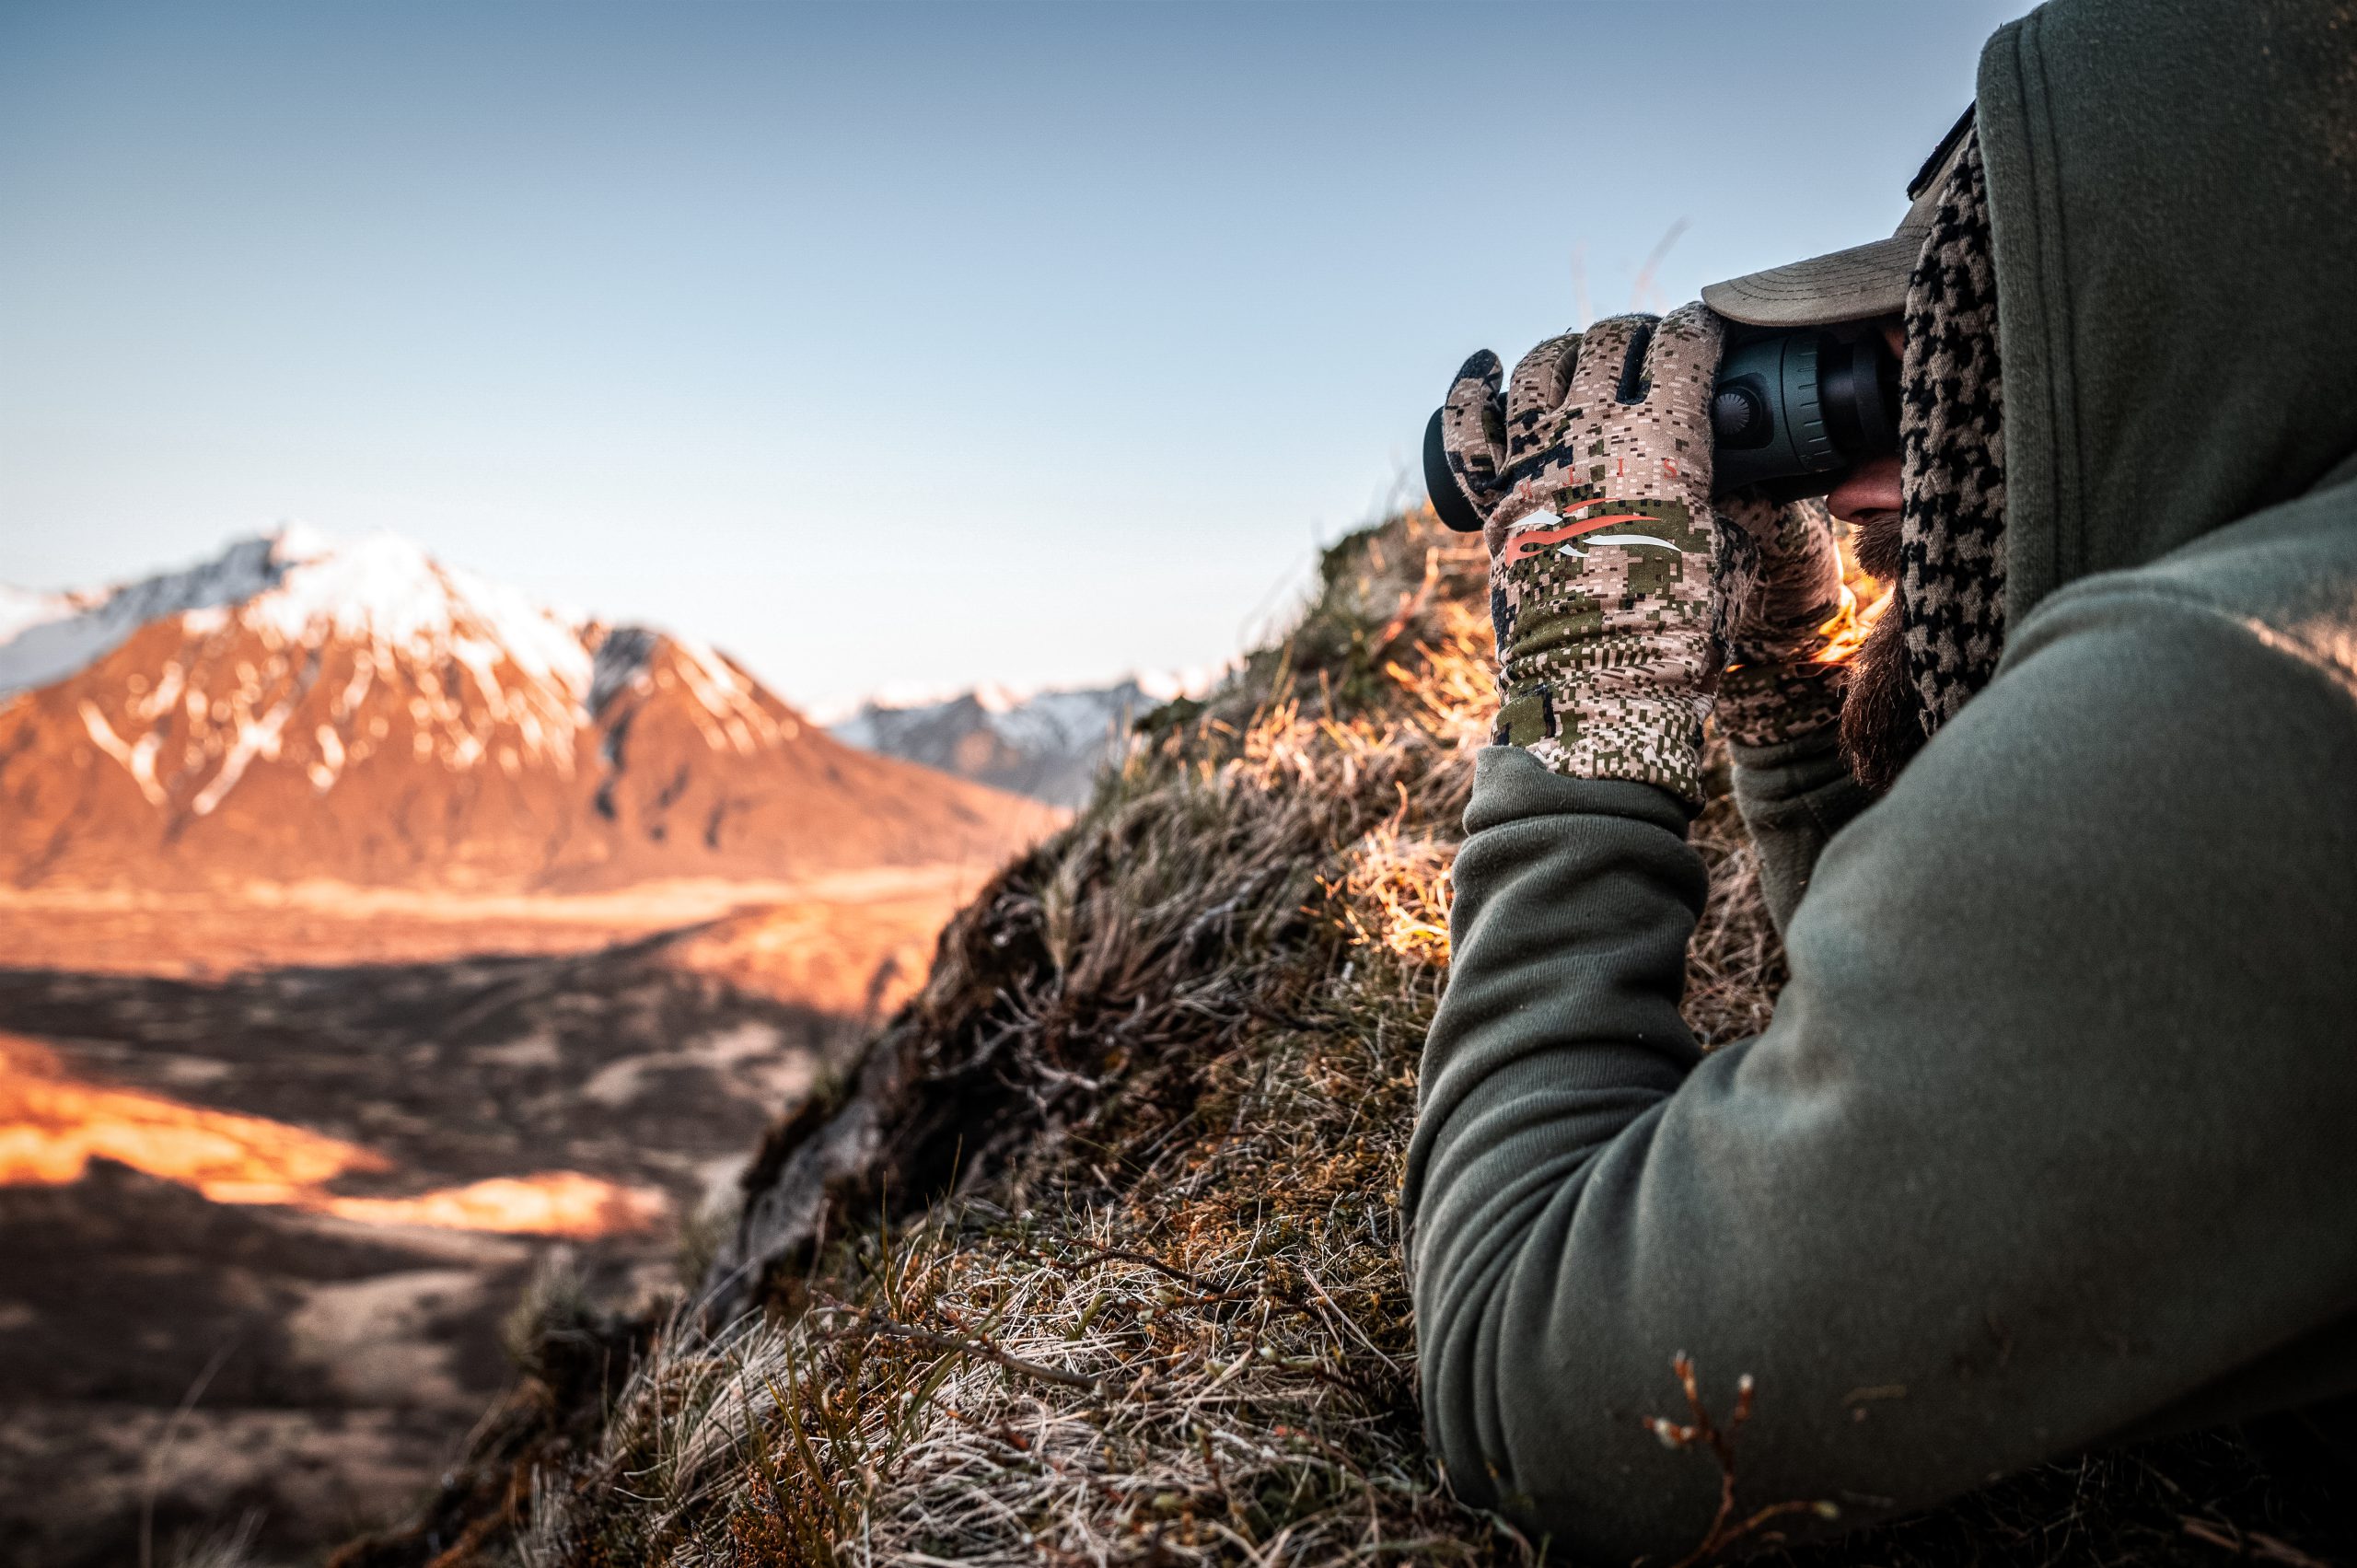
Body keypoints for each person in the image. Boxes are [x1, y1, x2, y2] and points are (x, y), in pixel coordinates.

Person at [1401, 0, 2357, 1558]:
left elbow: (1533, 1385)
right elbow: (1940, 1076)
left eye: (1961, 382)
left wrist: (1590, 711)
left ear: (2183, 352)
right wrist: (1785, 702)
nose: (1854, 488)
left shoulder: (2255, 694)